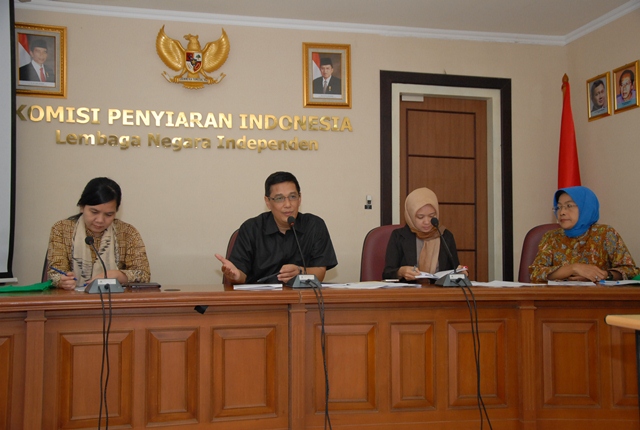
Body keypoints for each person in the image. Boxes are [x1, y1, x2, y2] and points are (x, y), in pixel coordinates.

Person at [215, 171, 337, 284]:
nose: (288, 204)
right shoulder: (251, 229)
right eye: (279, 198)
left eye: (292, 197)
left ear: (300, 199)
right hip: (261, 298)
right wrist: (236, 276)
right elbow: (241, 275)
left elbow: (320, 273)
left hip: (301, 298)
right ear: (268, 202)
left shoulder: (314, 226)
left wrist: (301, 271)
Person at [47, 177, 151, 290]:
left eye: (109, 214)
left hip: (115, 299)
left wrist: (117, 275)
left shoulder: (127, 232)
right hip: (73, 297)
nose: (100, 220)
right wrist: (62, 280)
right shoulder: (62, 229)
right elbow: (55, 273)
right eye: (94, 212)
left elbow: (144, 275)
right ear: (82, 207)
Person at [529, 186, 639, 283]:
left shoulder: (605, 234)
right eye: (559, 207)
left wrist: (604, 275)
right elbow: (535, 273)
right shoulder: (551, 237)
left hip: (599, 298)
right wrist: (573, 268)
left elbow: (631, 271)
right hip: (559, 297)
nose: (562, 212)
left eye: (569, 206)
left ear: (586, 207)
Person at [383, 187, 466, 281]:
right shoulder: (399, 236)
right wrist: (400, 272)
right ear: (410, 215)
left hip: (438, 289)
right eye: (420, 217)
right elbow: (387, 273)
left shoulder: (445, 236)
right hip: (408, 289)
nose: (427, 222)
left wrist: (460, 273)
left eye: (432, 216)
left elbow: (454, 269)